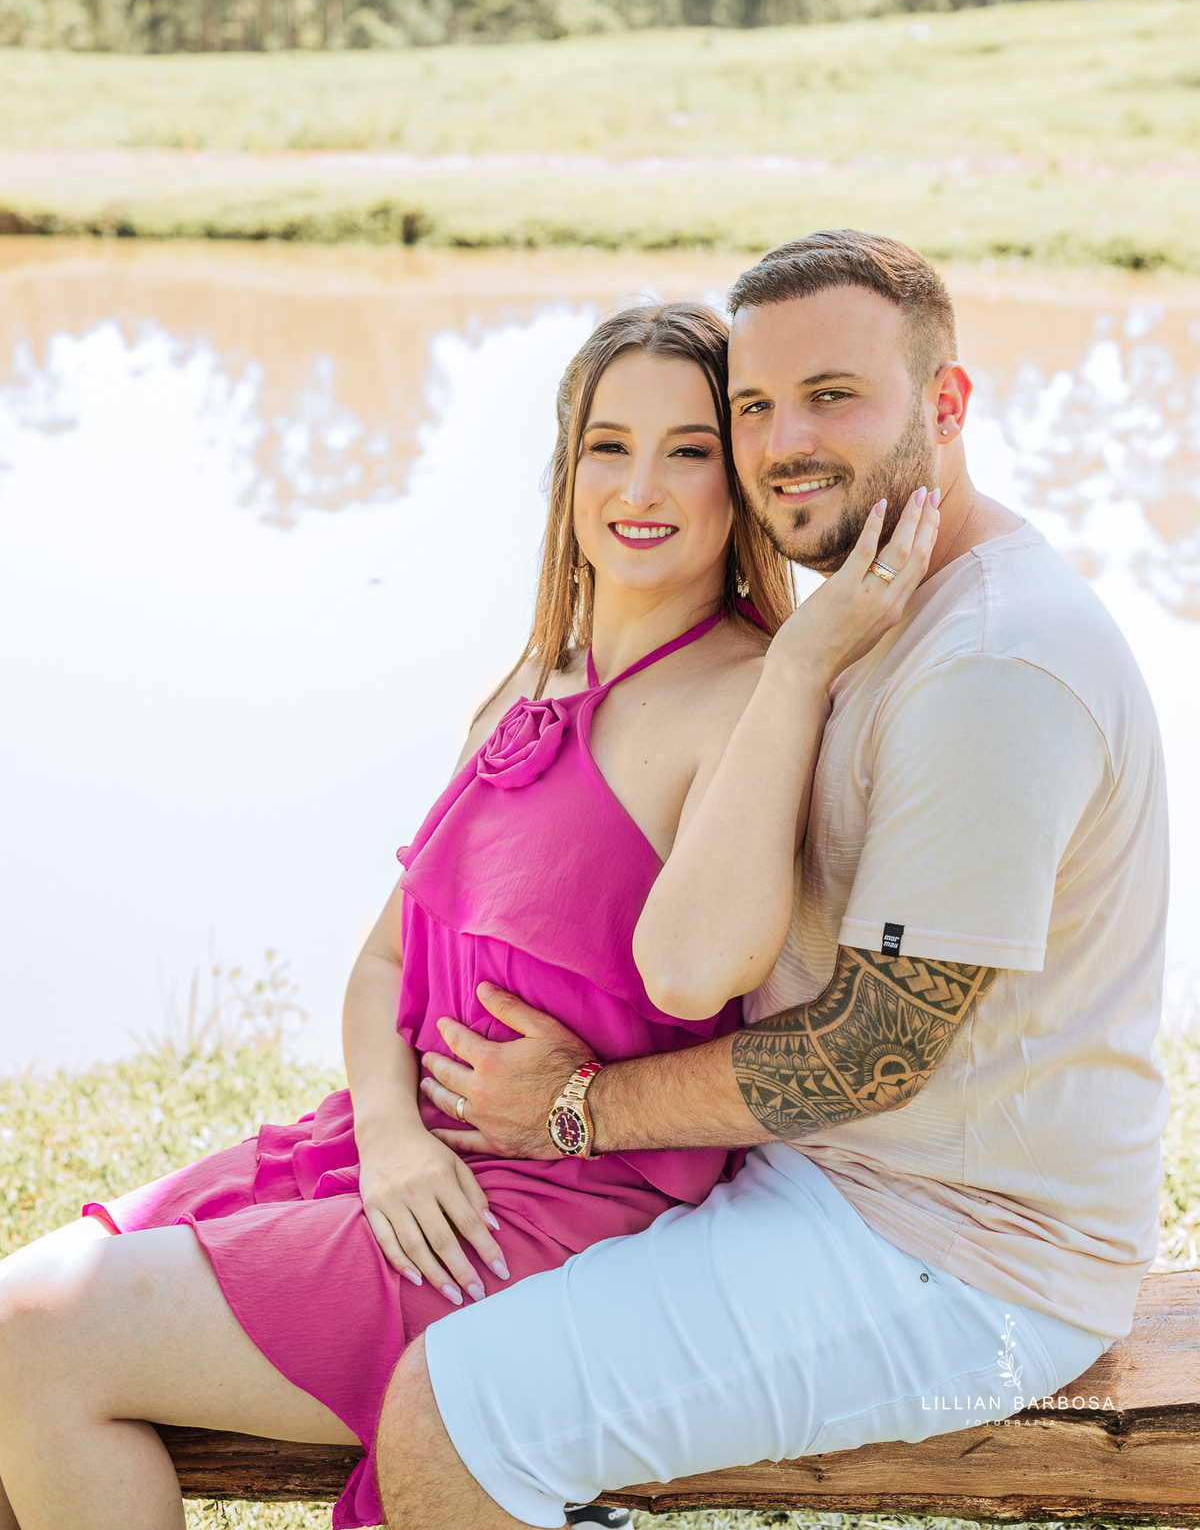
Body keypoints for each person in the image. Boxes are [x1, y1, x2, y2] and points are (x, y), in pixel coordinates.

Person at [0, 299, 937, 1530]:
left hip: (539, 1212)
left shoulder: (748, 695)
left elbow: (703, 968)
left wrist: (807, 663)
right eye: (608, 446)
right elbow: (383, 960)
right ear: (567, 470)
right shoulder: (530, 680)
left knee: (31, 1337)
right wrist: (392, 1138)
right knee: (18, 1316)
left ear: (741, 482)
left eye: (689, 450)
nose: (639, 487)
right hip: (391, 1153)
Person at [374, 229, 1169, 1530]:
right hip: (830, 1183)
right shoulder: (864, 613)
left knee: (451, 1417)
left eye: (832, 396)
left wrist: (572, 1110)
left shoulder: (989, 670)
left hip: (965, 1260)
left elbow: (870, 1053)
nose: (784, 443)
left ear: (947, 403)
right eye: (754, 405)